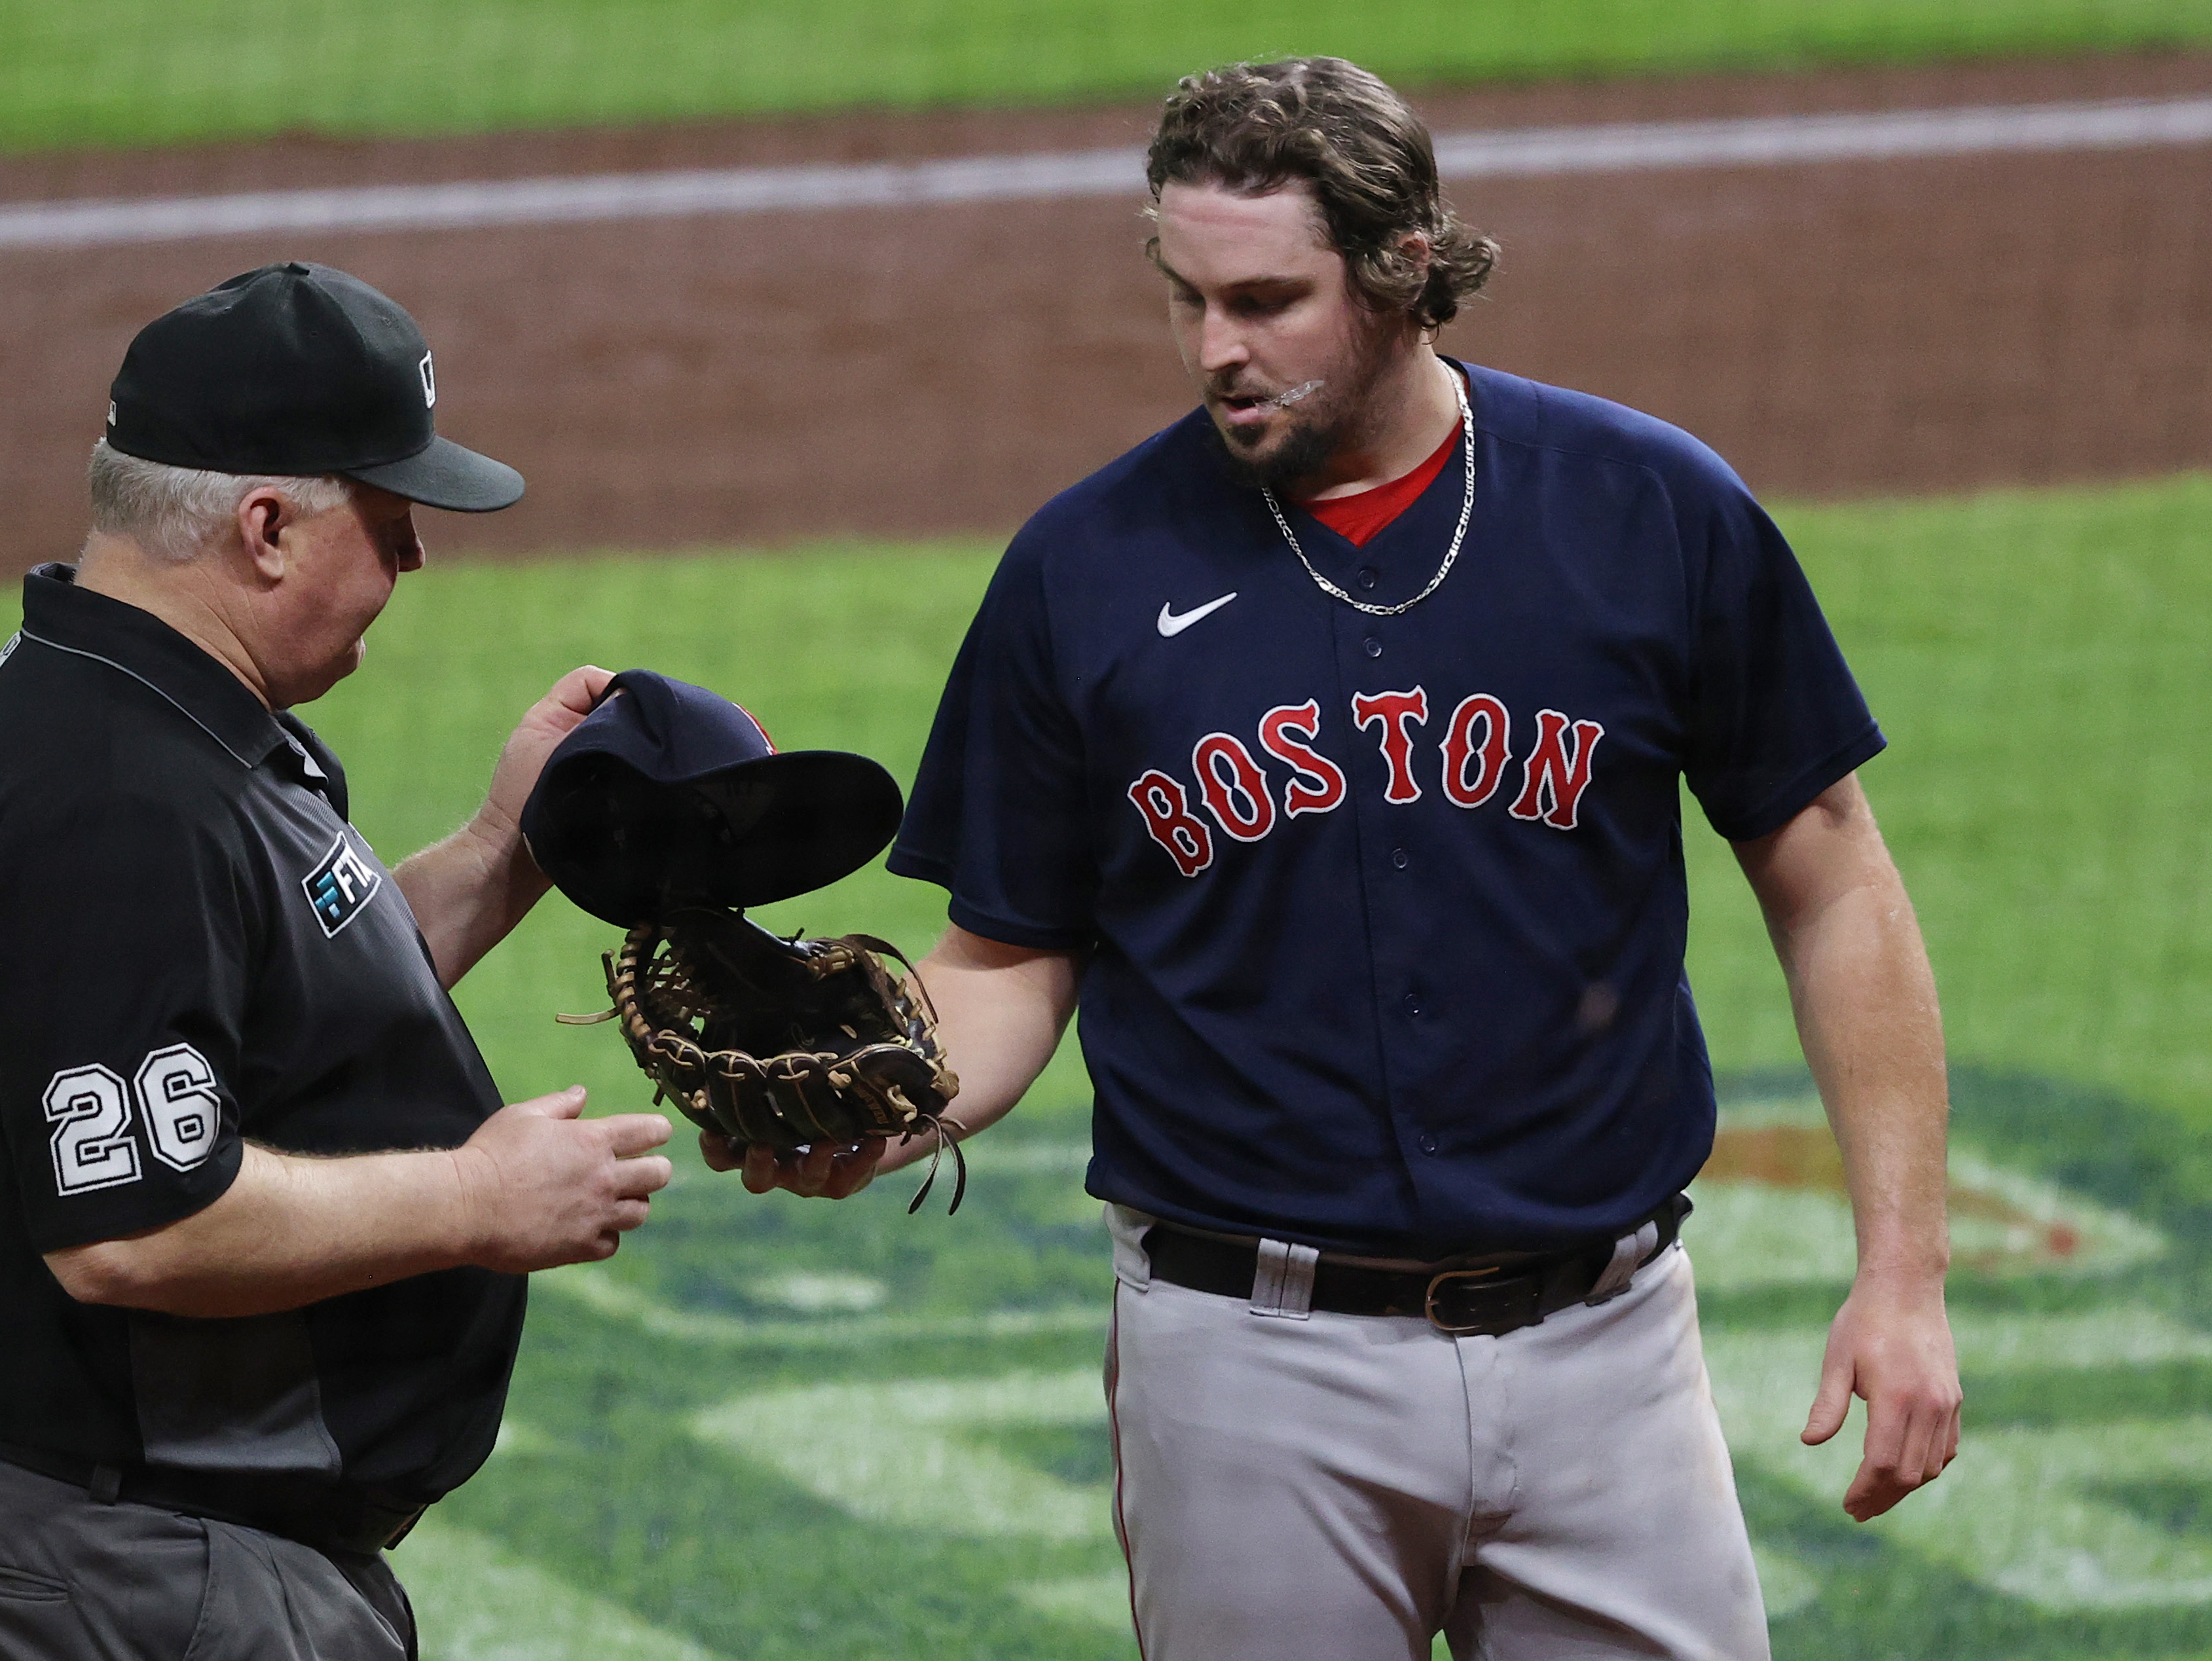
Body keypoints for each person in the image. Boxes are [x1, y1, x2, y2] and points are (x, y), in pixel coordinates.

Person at [719, 58, 1961, 1659]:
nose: (1216, 351)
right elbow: (1010, 957)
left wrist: (1904, 1275)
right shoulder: (1082, 573)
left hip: (1610, 1354)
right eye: (1186, 299)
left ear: (1405, 273)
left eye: (1266, 300)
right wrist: (894, 1102)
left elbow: (1832, 876)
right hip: (1251, 1372)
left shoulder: (1646, 511)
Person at [0, 261, 674, 1660]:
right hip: (137, 1562)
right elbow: (134, 1229)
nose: (415, 562)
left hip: (173, 1548)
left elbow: (279, 1021)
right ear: (265, 526)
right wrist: (474, 1199)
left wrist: (511, 843)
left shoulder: (156, 704)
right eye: (389, 522)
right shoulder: (118, 797)